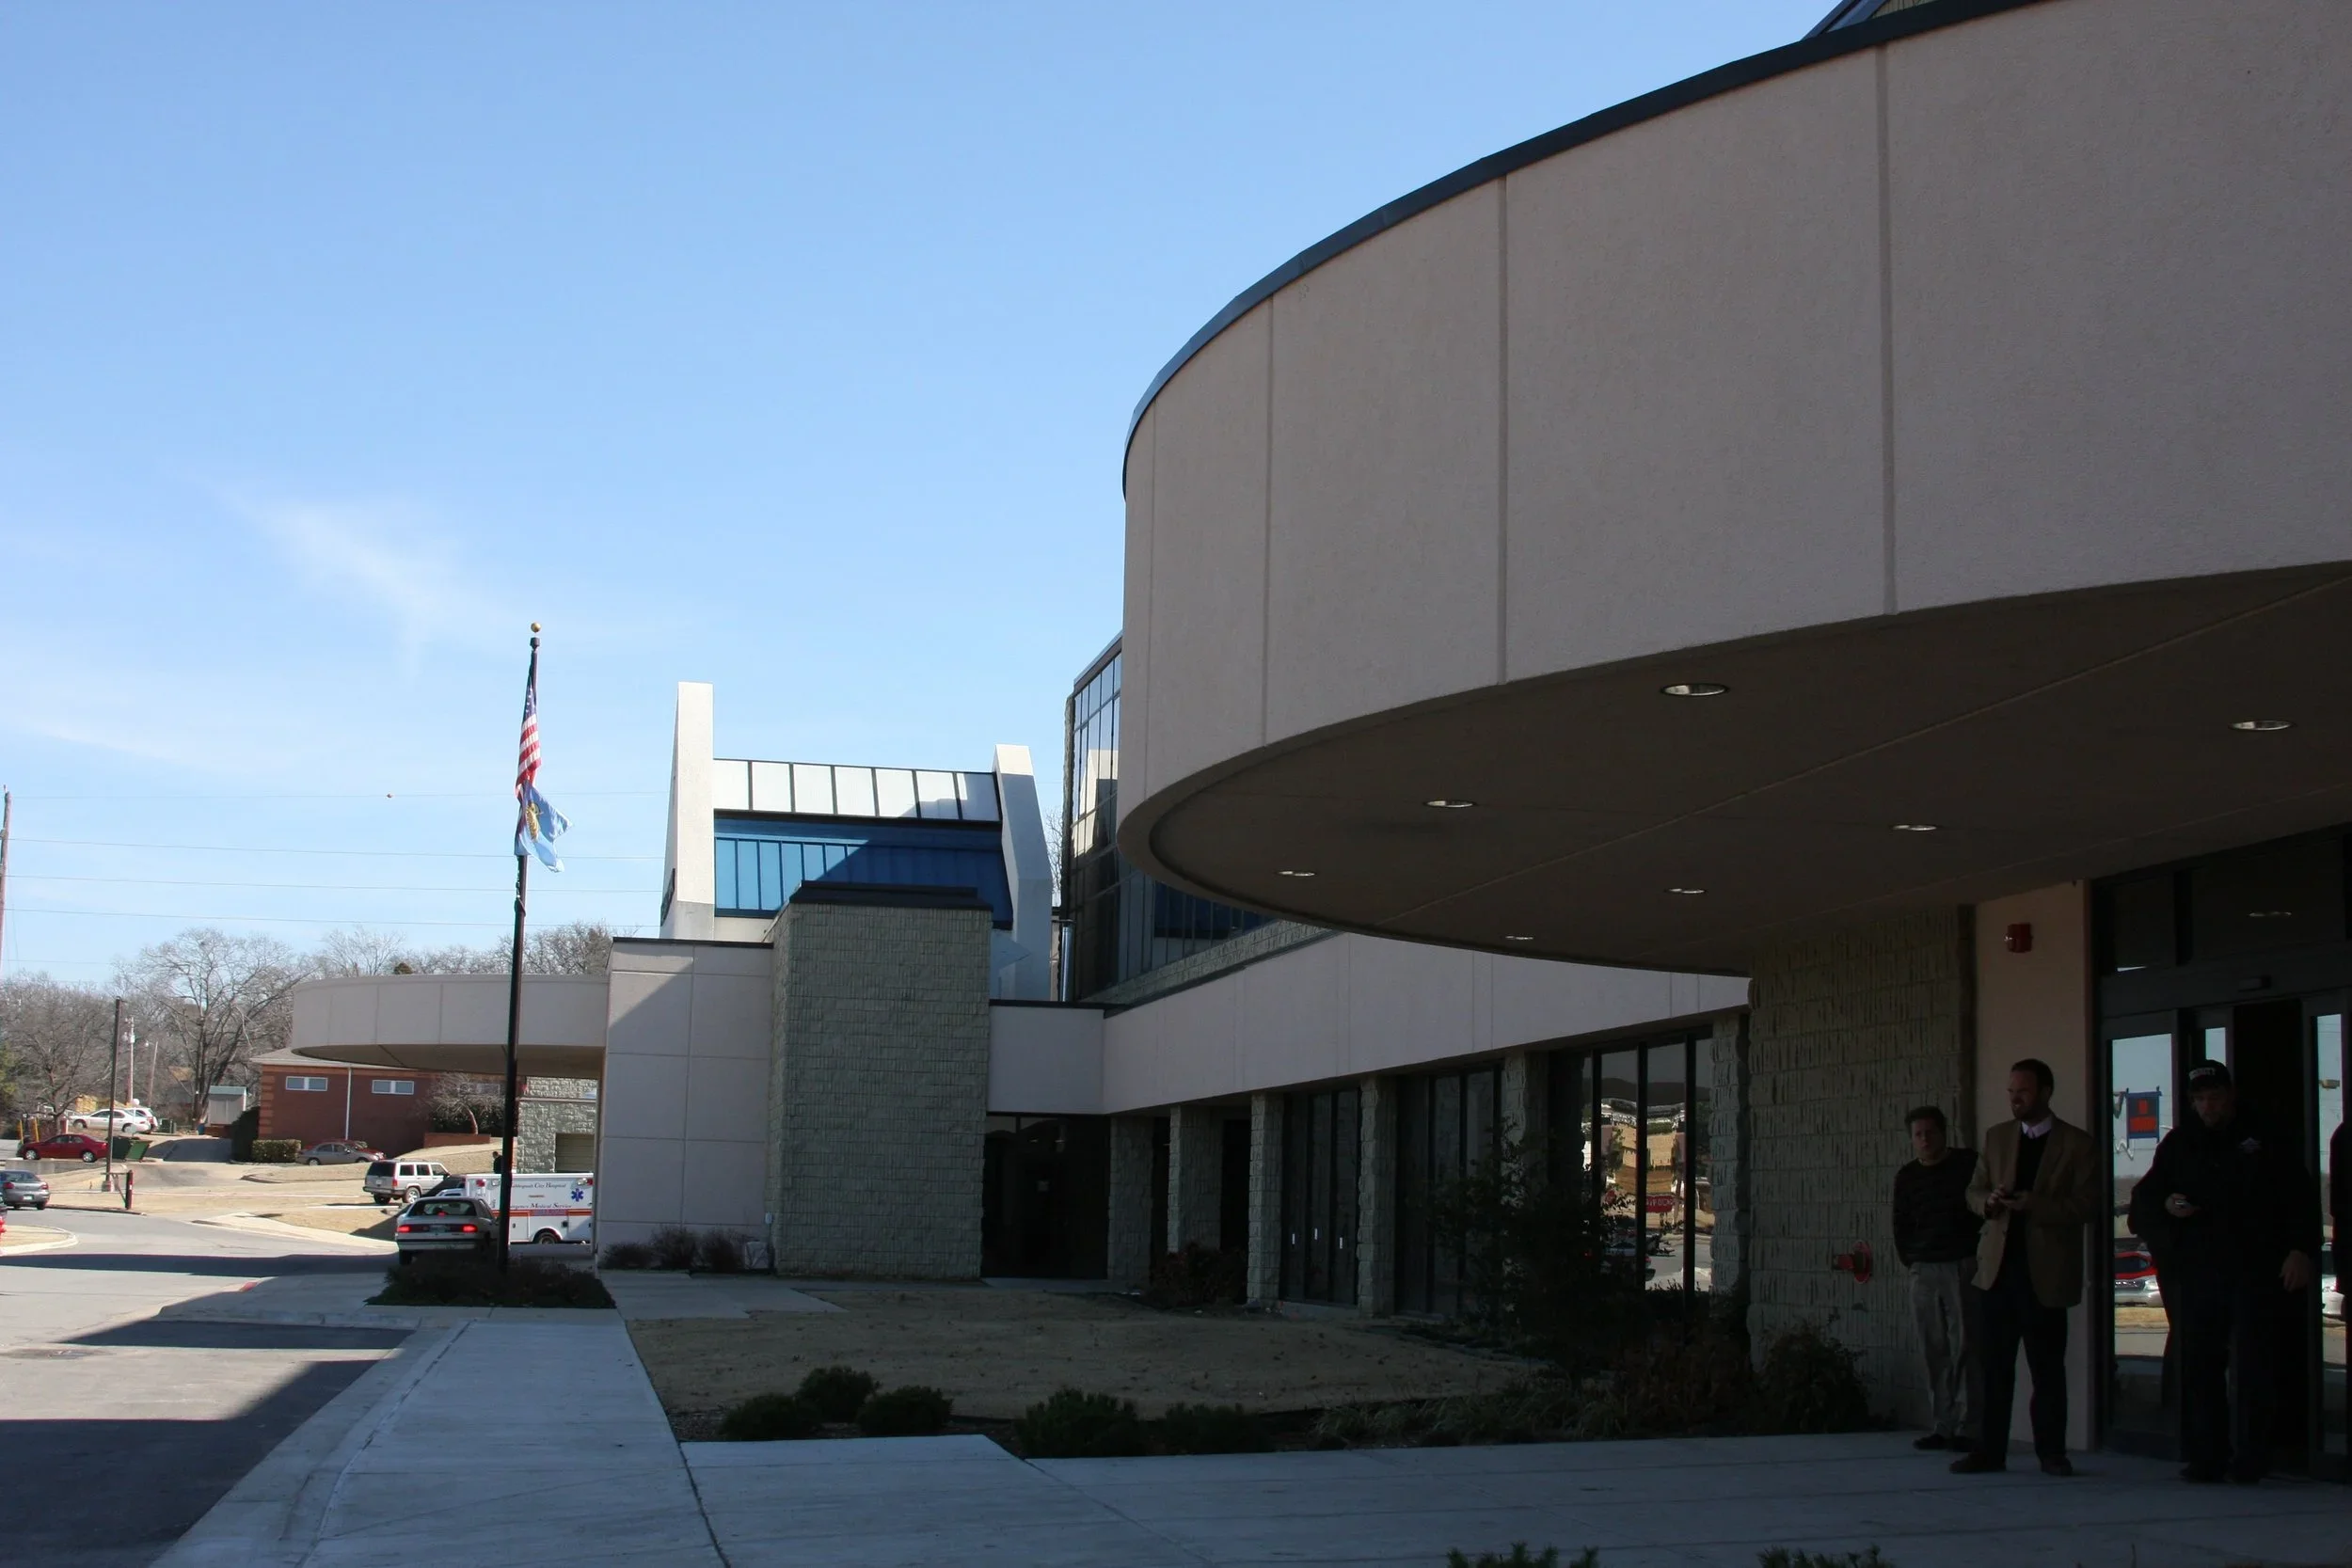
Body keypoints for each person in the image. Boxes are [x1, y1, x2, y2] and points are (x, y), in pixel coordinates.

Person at [2126, 1060, 2319, 1484]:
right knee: (2199, 1365)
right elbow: (2143, 1203)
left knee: (2253, 1366)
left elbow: (2300, 1200)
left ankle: (2253, 1456)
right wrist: (2168, 1206)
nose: (2207, 1106)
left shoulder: (2265, 1137)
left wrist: (2301, 1250)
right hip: (2199, 1273)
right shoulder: (2180, 1145)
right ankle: (2206, 1456)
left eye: (2214, 1097)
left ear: (2230, 1096)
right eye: (2199, 1100)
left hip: (2256, 1269)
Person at [1952, 1058, 2099, 1477]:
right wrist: (1990, 1202)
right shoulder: (1997, 1137)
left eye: (2025, 1092)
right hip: (1997, 1271)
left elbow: (2087, 1204)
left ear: (2046, 1093)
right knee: (1993, 1367)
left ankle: (2051, 1452)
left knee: (2047, 1369)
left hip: (2046, 1274)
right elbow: (1973, 1190)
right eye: (2012, 1091)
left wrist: (2038, 1205)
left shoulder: (2077, 1144)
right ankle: (1989, 1451)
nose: (2017, 1099)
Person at [1895, 1105, 1981, 1450]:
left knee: (1966, 1347)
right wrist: (1912, 1261)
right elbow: (1900, 1223)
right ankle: (1942, 1424)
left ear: (1944, 1133)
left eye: (1930, 1132)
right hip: (1924, 1270)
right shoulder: (1907, 1177)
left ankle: (1968, 1426)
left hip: (1960, 1266)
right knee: (1934, 1349)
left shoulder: (1966, 1165)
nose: (1925, 1139)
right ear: (1912, 1140)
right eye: (1918, 1135)